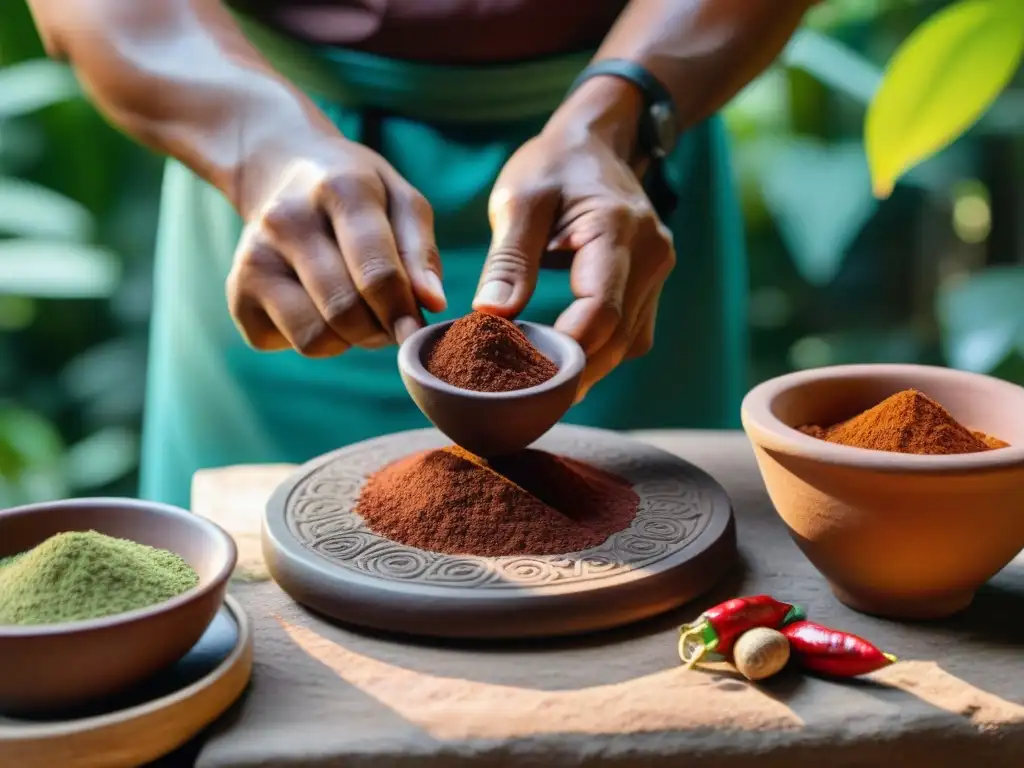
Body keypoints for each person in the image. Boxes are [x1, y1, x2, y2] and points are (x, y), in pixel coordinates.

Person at [27, 0, 821, 509]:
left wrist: (619, 114)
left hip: (619, 171)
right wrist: (260, 145)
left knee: (647, 551)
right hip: (279, 168)